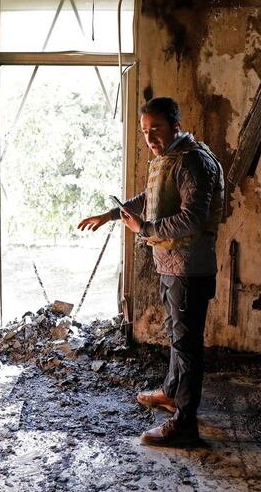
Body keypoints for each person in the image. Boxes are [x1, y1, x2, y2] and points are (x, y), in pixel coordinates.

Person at [78, 96, 224, 447]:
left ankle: (185, 423)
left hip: (189, 269)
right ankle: (172, 393)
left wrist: (143, 229)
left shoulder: (192, 162)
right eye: (144, 132)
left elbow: (192, 219)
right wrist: (110, 215)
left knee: (187, 347)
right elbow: (149, 197)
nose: (149, 138)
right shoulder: (170, 159)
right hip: (172, 265)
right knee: (178, 336)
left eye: (155, 129)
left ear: (175, 125)